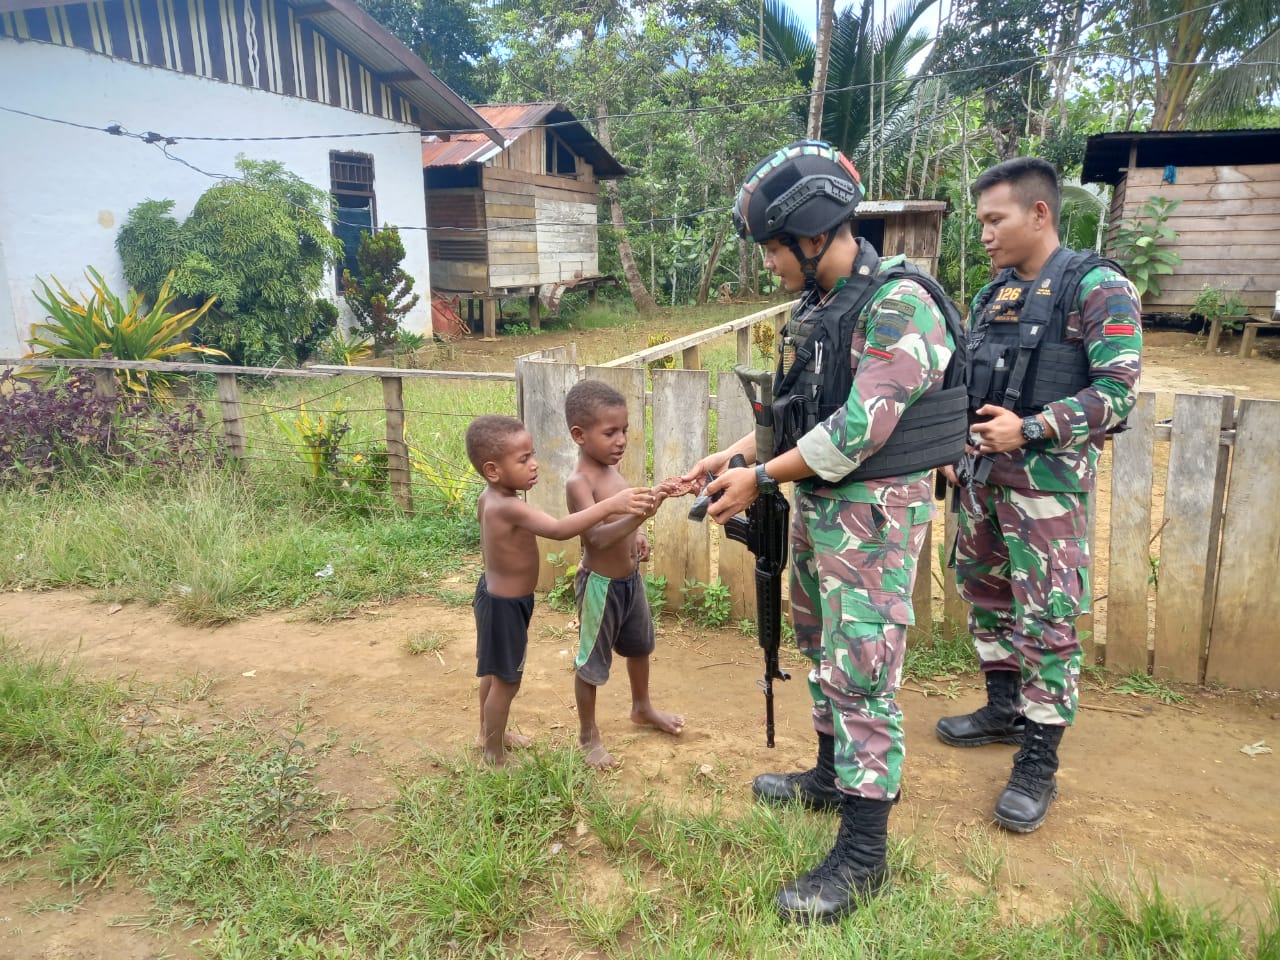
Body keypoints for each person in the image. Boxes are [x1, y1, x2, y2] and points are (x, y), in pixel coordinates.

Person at [680, 140, 965, 924]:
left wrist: (762, 478)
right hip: (822, 515)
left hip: (872, 523)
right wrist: (734, 455)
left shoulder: (899, 304)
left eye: (774, 248)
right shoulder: (819, 309)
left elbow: (860, 427)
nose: (768, 263)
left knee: (864, 674)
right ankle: (830, 774)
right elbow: (797, 417)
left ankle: (864, 854)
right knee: (823, 652)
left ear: (812, 234)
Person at [936, 157, 1142, 834]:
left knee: (1047, 623)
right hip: (983, 484)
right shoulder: (991, 295)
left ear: (1040, 213)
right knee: (987, 598)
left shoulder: (1099, 287)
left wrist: (1029, 427)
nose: (986, 234)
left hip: (1047, 494)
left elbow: (1117, 395)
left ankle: (1038, 763)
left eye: (995, 220)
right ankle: (1002, 709)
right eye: (982, 222)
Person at [464, 413, 653, 767]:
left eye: (532, 454)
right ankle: (493, 755)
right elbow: (561, 529)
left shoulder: (488, 499)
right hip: (506, 605)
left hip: (492, 594)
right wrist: (610, 505)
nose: (534, 465)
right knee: (506, 681)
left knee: (493, 672)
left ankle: (489, 733)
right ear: (493, 470)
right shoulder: (511, 507)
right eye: (523, 460)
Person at [564, 380, 686, 770]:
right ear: (580, 436)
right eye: (610, 432)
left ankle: (642, 707)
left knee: (640, 648)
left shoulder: (613, 471)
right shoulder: (579, 483)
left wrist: (639, 534)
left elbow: (623, 520)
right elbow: (596, 538)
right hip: (601, 587)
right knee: (591, 663)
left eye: (625, 430)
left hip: (629, 582)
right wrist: (638, 516)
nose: (621, 440)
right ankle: (588, 735)